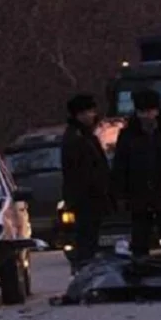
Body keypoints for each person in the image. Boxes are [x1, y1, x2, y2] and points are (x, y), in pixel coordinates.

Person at [111, 88, 161, 267]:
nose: (146, 116)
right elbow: (120, 166)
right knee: (140, 238)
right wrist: (121, 194)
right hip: (139, 194)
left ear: (156, 111)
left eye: (149, 111)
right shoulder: (128, 135)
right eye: (142, 112)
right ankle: (141, 272)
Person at [60, 93, 112, 270]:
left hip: (90, 198)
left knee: (89, 239)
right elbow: (83, 172)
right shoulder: (77, 139)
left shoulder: (84, 136)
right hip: (86, 199)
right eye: (89, 111)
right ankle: (85, 273)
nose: (92, 115)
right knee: (86, 241)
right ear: (79, 114)